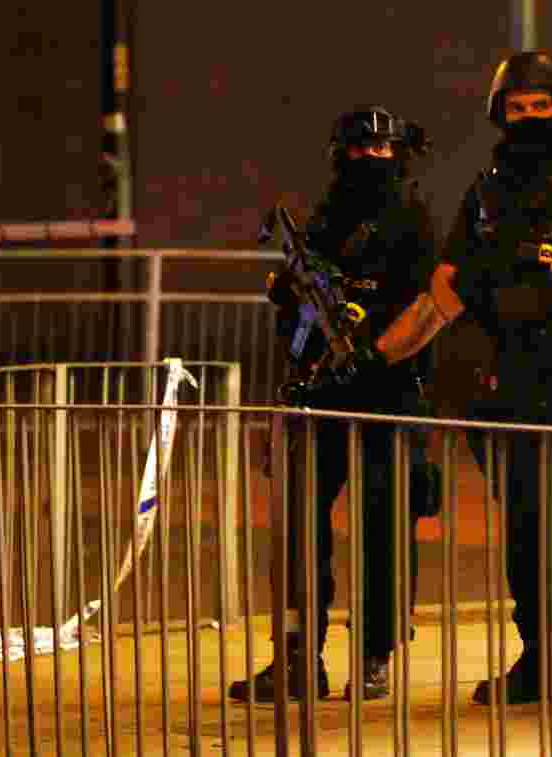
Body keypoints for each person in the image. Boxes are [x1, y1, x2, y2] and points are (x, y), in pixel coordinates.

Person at [373, 51, 552, 707]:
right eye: (516, 108)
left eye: (539, 107)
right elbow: (449, 278)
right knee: (522, 520)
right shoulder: (487, 189)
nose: (528, 117)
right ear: (500, 114)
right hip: (502, 372)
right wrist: (387, 351)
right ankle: (537, 656)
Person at [228, 105, 438, 703]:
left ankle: (374, 656)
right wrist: (289, 293)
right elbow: (296, 297)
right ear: (340, 154)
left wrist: (373, 345)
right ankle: (296, 654)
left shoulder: (412, 220)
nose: (373, 159)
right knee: (298, 531)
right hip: (318, 393)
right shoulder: (324, 220)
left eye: (383, 150)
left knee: (384, 531)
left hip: (387, 394)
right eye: (360, 149)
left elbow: (426, 305)